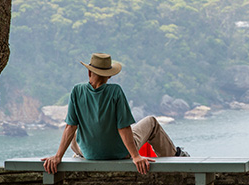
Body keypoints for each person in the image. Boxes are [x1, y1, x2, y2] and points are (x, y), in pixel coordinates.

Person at [42, 53, 189, 175]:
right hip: (120, 152)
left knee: (73, 131)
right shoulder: (115, 91)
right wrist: (135, 156)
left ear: (89, 72)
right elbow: (123, 128)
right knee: (152, 122)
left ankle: (80, 153)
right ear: (109, 76)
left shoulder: (76, 91)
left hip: (89, 153)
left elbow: (70, 127)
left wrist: (57, 157)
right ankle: (176, 159)